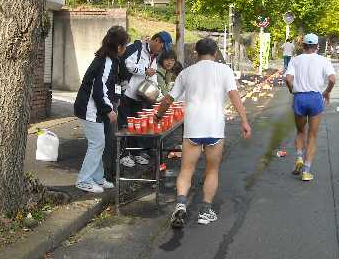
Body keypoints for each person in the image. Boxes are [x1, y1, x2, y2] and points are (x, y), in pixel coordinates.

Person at [155, 38, 251, 228]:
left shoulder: (186, 72)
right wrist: (244, 121)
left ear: (196, 54)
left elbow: (168, 99)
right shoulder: (225, 71)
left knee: (186, 170)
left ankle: (181, 205)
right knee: (212, 170)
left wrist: (158, 116)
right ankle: (205, 211)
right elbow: (234, 96)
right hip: (214, 128)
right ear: (215, 53)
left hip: (192, 128)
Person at [74, 26, 130, 193]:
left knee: (98, 143)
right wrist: (108, 109)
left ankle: (97, 178)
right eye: (125, 46)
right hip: (89, 109)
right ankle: (84, 180)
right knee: (97, 143)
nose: (125, 49)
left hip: (92, 108)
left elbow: (109, 87)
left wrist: (114, 101)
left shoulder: (109, 59)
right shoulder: (106, 61)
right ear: (119, 47)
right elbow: (100, 89)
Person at [285, 33, 336, 182]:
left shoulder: (295, 60)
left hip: (300, 97)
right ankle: (306, 171)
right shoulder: (323, 60)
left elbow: (288, 78)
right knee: (312, 135)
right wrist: (326, 92)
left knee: (300, 131)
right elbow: (332, 79)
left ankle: (299, 157)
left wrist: (291, 90)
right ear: (317, 46)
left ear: (303, 46)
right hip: (315, 98)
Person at [118, 31, 173, 167]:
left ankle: (136, 153)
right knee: (125, 125)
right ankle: (123, 154)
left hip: (141, 95)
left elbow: (153, 75)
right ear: (157, 41)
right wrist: (144, 70)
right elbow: (127, 64)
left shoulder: (154, 56)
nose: (162, 50)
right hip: (126, 93)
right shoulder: (136, 48)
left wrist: (158, 95)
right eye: (162, 47)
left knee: (137, 125)